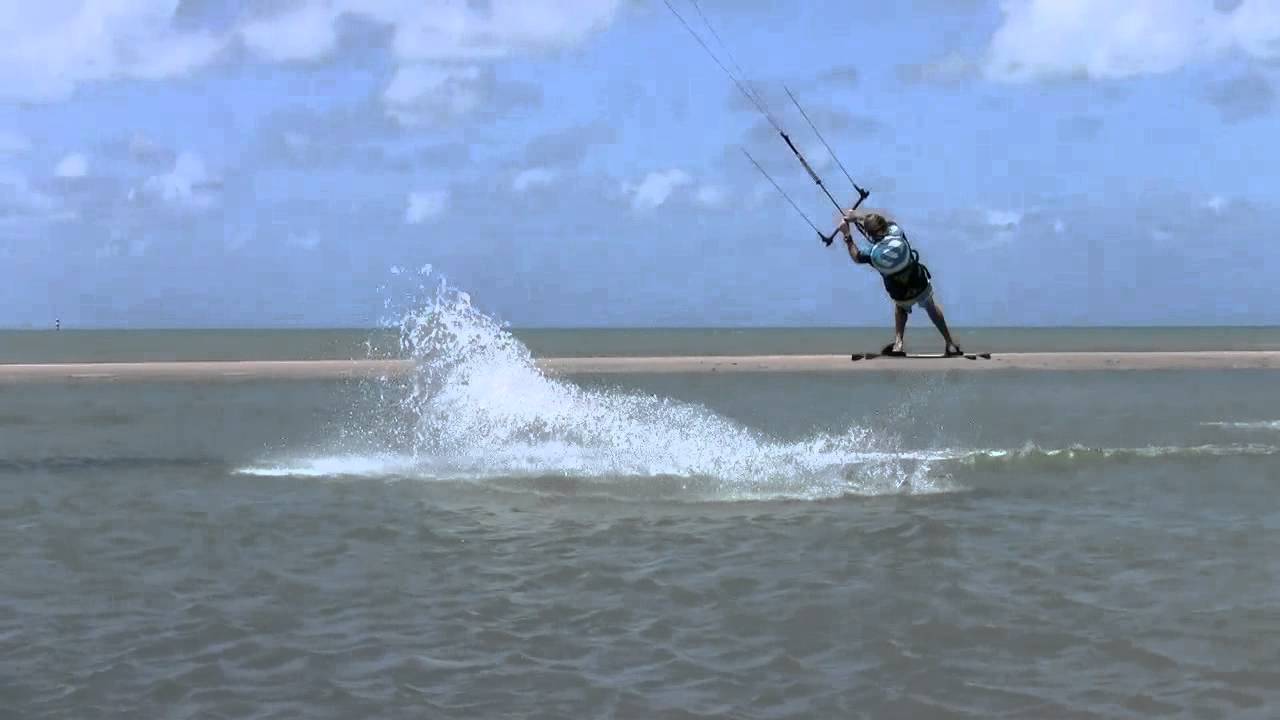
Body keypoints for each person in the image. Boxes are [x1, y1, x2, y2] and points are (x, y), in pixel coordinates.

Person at [835, 208, 962, 356]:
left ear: (869, 234)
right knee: (930, 306)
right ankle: (949, 343)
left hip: (900, 294)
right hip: (919, 284)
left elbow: (856, 256)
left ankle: (898, 344)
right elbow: (888, 224)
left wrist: (847, 234)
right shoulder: (897, 232)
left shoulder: (872, 253)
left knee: (900, 309)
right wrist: (857, 217)